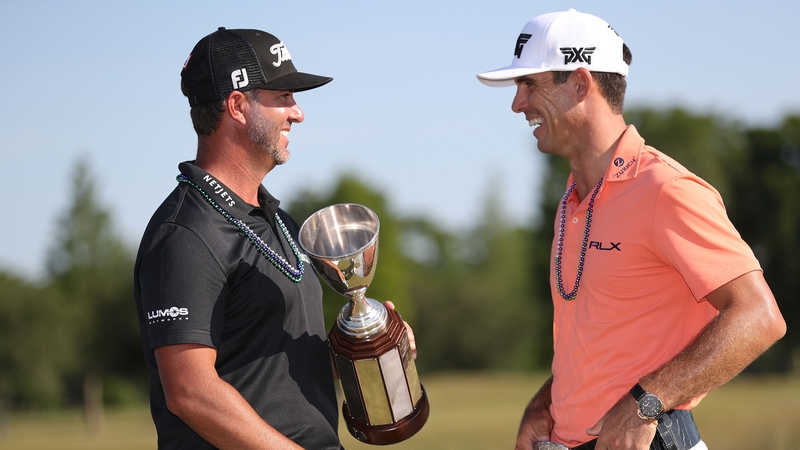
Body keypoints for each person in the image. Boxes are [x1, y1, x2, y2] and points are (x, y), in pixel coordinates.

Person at [476, 9, 786, 450]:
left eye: (531, 84)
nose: (517, 103)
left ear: (580, 84)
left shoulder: (666, 189)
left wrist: (646, 403)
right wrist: (544, 405)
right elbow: (599, 346)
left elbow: (759, 318)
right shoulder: (572, 199)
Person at [133, 27, 414, 449]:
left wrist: (367, 348)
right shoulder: (184, 233)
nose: (297, 113)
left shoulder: (279, 220)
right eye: (283, 97)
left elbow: (275, 366)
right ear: (238, 106)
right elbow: (190, 393)